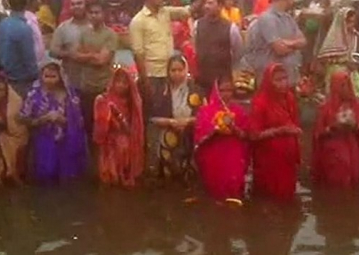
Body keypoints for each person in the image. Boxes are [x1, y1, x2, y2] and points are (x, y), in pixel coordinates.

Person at [20, 59, 87, 184]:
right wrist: (44, 119)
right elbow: (23, 119)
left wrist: (65, 120)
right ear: (41, 76)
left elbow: (79, 121)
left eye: (53, 76)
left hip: (67, 140)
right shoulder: (34, 95)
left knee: (68, 179)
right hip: (44, 140)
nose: (49, 80)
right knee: (46, 177)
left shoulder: (71, 95)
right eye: (46, 76)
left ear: (60, 76)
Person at [129, 0, 191, 100]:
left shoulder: (165, 12)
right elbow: (138, 54)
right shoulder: (138, 21)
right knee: (153, 112)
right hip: (152, 75)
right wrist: (145, 81)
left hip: (169, 74)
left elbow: (188, 12)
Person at [147, 56, 203, 184]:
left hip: (189, 136)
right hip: (167, 139)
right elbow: (152, 117)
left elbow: (204, 115)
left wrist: (188, 121)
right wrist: (170, 122)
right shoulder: (161, 91)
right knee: (168, 177)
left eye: (180, 70)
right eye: (173, 70)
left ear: (186, 69)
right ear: (168, 72)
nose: (177, 74)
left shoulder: (195, 90)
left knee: (189, 176)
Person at [250, 63, 301, 201]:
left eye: (285, 78)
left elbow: (294, 123)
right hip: (268, 160)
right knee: (269, 197)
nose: (283, 83)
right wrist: (280, 131)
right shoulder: (260, 103)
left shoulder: (289, 98)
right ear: (268, 81)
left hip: (287, 159)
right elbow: (254, 135)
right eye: (278, 80)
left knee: (288, 195)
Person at [194, 77, 250, 200]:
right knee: (214, 191)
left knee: (234, 188)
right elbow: (200, 138)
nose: (226, 94)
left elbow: (245, 135)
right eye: (222, 90)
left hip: (233, 154)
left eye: (229, 90)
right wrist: (215, 129)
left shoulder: (238, 111)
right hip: (214, 154)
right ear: (216, 91)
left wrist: (232, 126)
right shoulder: (206, 111)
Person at [312, 71, 359, 188]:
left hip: (352, 152)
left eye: (348, 84)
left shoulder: (356, 105)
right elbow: (318, 133)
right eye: (342, 85)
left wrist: (355, 126)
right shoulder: (326, 108)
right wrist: (332, 128)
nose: (346, 89)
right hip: (333, 154)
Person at [242, 0, 306, 86]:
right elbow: (279, 49)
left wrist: (286, 43)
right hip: (271, 81)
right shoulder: (267, 19)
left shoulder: (288, 19)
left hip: (289, 79)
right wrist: (294, 45)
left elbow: (303, 41)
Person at [93, 67, 144, 187]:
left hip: (125, 137)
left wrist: (121, 121)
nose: (120, 85)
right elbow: (100, 123)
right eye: (118, 81)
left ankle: (124, 174)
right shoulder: (104, 99)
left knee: (123, 145)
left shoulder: (133, 102)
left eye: (125, 82)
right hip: (109, 139)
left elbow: (134, 125)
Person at [77, 0, 118, 134]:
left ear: (104, 14)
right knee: (88, 127)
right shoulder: (83, 33)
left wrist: (85, 56)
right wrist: (93, 56)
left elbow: (102, 60)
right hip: (86, 87)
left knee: (105, 126)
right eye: (91, 13)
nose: (94, 15)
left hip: (104, 87)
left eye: (97, 12)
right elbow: (75, 56)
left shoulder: (110, 35)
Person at [193, 0, 243, 94]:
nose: (206, 6)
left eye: (210, 3)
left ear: (220, 6)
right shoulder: (197, 25)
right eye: (205, 3)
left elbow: (238, 52)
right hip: (203, 80)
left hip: (223, 83)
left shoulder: (231, 28)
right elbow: (195, 47)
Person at [0, 0, 39, 98]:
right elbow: (29, 60)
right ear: (27, 2)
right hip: (23, 81)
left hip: (8, 77)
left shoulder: (3, 24)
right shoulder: (23, 28)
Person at [50, 0, 93, 90]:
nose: (76, 6)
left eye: (79, 3)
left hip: (94, 82)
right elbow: (53, 51)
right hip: (70, 82)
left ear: (86, 5)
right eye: (73, 4)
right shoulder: (63, 28)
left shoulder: (95, 26)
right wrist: (69, 54)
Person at [317, 7, 359, 96]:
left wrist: (356, 64)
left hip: (352, 75)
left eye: (353, 22)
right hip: (335, 75)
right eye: (348, 22)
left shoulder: (356, 37)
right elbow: (324, 60)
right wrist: (343, 62)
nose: (350, 25)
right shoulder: (333, 38)